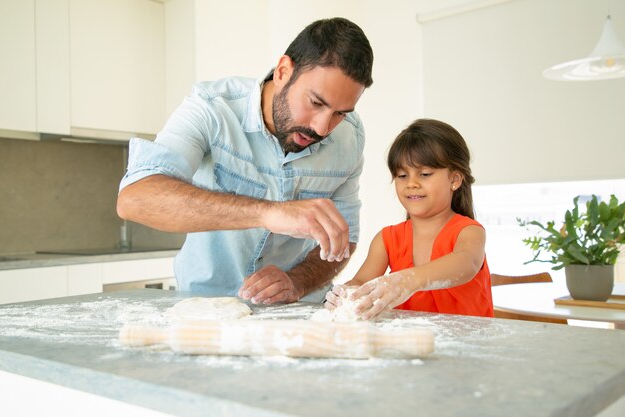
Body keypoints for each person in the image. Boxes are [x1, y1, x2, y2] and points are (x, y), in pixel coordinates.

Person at [116, 18, 374, 305]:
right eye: (316, 103)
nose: (323, 128)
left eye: (340, 113)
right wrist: (268, 213)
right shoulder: (212, 108)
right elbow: (136, 198)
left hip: (297, 316)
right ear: (283, 71)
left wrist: (297, 282)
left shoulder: (351, 137)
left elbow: (344, 240)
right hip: (204, 311)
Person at [324, 118, 494, 320]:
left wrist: (409, 279)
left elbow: (467, 262)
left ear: (454, 180)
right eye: (402, 175)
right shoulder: (388, 239)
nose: (411, 183)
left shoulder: (469, 231)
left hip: (468, 347)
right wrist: (347, 294)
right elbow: (361, 281)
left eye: (424, 174)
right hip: (410, 347)